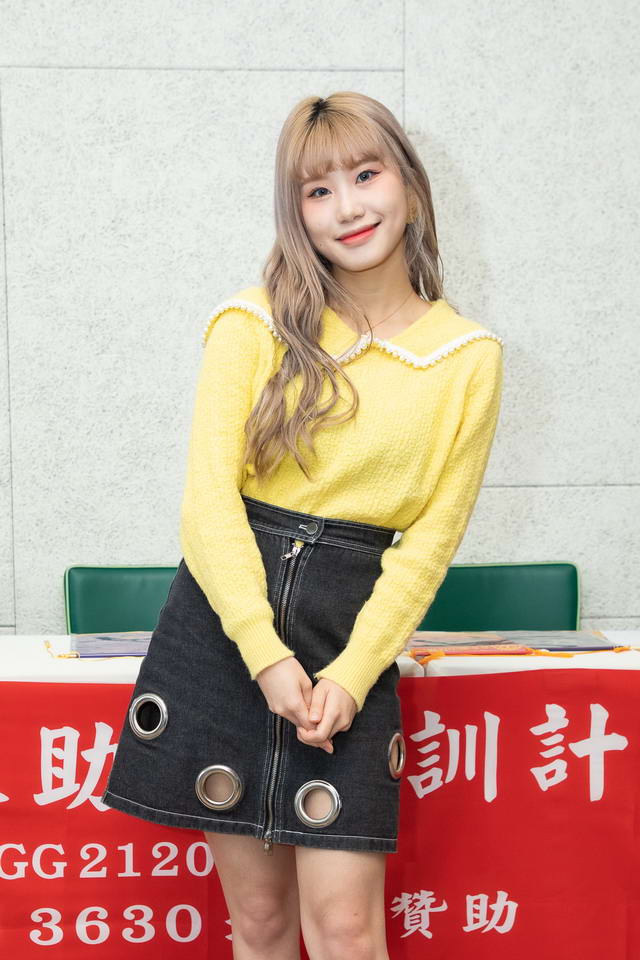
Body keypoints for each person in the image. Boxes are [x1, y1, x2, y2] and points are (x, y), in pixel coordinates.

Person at [101, 90, 504, 960]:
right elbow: (208, 505)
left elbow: (430, 544)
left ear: (411, 186)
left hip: (351, 632)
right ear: (297, 213)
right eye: (319, 190)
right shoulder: (252, 323)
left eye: (366, 175)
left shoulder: (467, 358)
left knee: (349, 927)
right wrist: (264, 652)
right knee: (260, 923)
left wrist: (353, 675)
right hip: (226, 627)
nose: (348, 207)